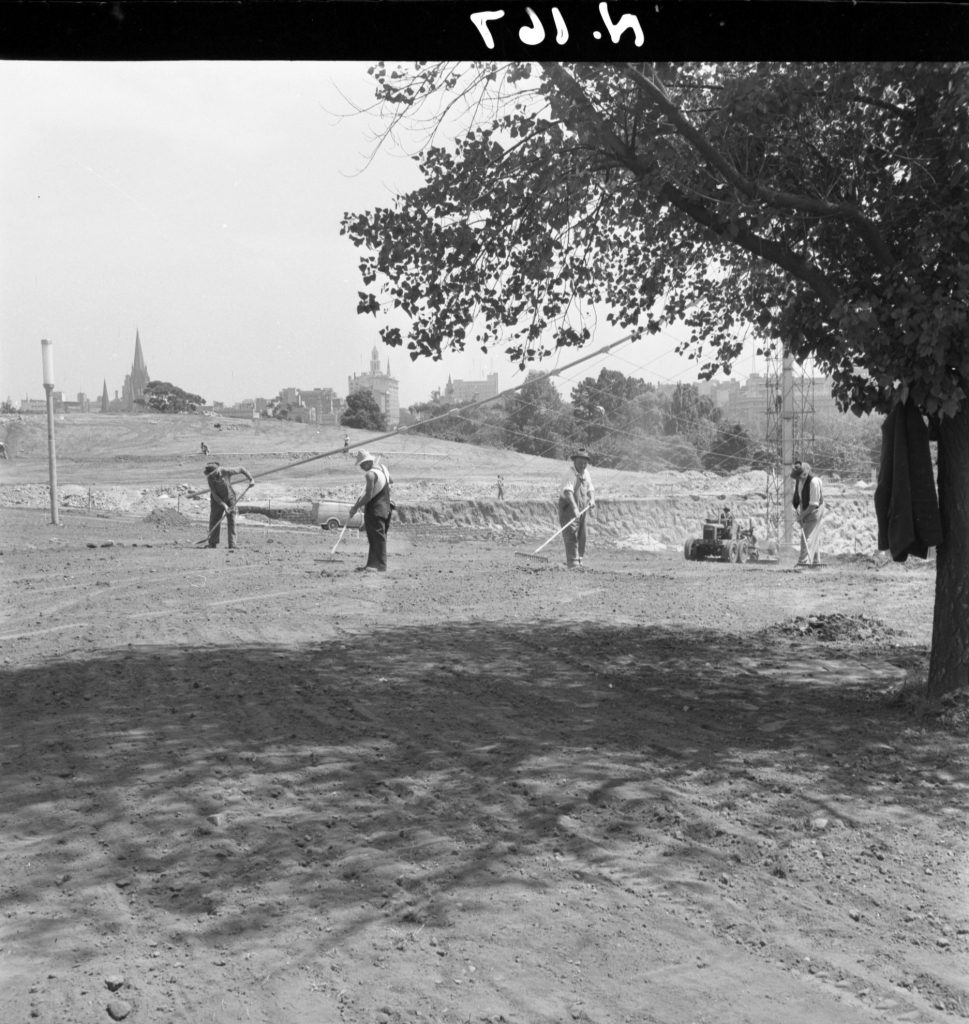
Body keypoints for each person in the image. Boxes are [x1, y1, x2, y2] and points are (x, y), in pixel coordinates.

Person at [348, 450, 393, 572]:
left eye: (362, 464)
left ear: (368, 462)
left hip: (375, 510)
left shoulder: (370, 475)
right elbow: (391, 482)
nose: (362, 468)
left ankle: (381, 566)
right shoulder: (383, 469)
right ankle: (372, 564)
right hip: (386, 509)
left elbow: (368, 496)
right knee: (375, 537)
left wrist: (355, 506)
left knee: (377, 538)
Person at [558, 447, 596, 568]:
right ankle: (572, 562)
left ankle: (580, 559)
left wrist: (592, 499)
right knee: (571, 533)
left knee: (582, 534)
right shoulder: (570, 473)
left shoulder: (586, 473)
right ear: (575, 461)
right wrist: (574, 509)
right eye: (580, 462)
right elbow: (568, 492)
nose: (583, 465)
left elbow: (590, 489)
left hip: (582, 507)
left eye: (585, 463)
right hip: (568, 507)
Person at [203, 461, 254, 550]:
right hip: (216, 500)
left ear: (217, 470)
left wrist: (251, 479)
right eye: (210, 474)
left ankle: (232, 544)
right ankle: (212, 543)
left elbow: (241, 469)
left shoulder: (226, 471)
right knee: (214, 519)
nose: (212, 476)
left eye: (213, 473)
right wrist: (224, 506)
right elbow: (214, 494)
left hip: (230, 497)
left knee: (231, 519)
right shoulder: (210, 479)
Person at [791, 459, 824, 565]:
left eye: (799, 476)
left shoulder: (814, 482)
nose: (798, 478)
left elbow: (813, 505)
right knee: (812, 535)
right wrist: (801, 515)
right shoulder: (801, 482)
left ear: (804, 474)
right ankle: (815, 562)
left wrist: (803, 515)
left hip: (816, 509)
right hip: (808, 508)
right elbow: (801, 501)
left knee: (806, 536)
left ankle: (803, 562)